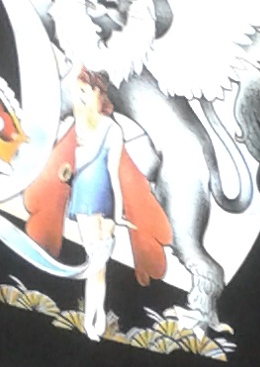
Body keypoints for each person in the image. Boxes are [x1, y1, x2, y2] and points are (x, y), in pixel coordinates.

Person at [22, 68, 170, 340]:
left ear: (97, 93)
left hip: (104, 199)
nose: (78, 96)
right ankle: (93, 322)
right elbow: (68, 167)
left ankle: (95, 320)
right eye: (77, 90)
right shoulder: (74, 126)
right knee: (94, 262)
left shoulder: (112, 129)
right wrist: (65, 174)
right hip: (84, 197)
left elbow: (113, 173)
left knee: (100, 266)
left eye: (83, 90)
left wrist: (117, 212)